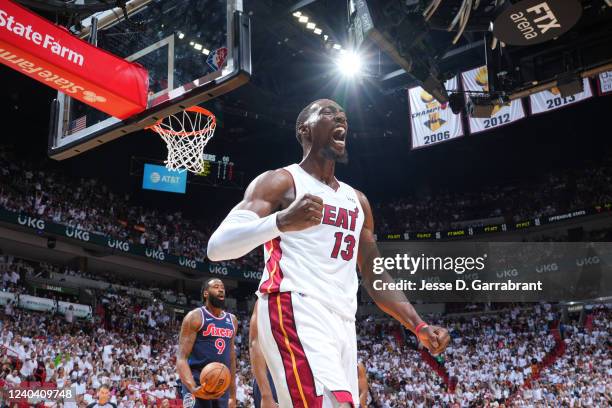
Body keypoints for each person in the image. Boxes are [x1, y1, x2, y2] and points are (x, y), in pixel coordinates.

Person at [207, 99, 450, 407]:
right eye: (328, 113)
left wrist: (418, 325)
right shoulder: (281, 181)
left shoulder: (357, 200)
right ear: (304, 130)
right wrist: (280, 222)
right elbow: (217, 247)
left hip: (343, 322)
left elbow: (375, 276)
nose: (340, 118)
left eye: (344, 116)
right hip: (295, 305)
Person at [249, 301, 370, 407]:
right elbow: (255, 344)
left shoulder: (326, 301)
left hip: (313, 375)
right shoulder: (268, 300)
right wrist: (266, 395)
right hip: (276, 374)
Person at [176, 278, 237, 408]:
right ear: (206, 293)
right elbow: (181, 358)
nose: (221, 289)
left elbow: (231, 358)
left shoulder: (232, 320)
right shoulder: (195, 317)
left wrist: (232, 395)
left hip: (221, 381)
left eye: (222, 287)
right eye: (216, 286)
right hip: (198, 380)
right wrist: (192, 387)